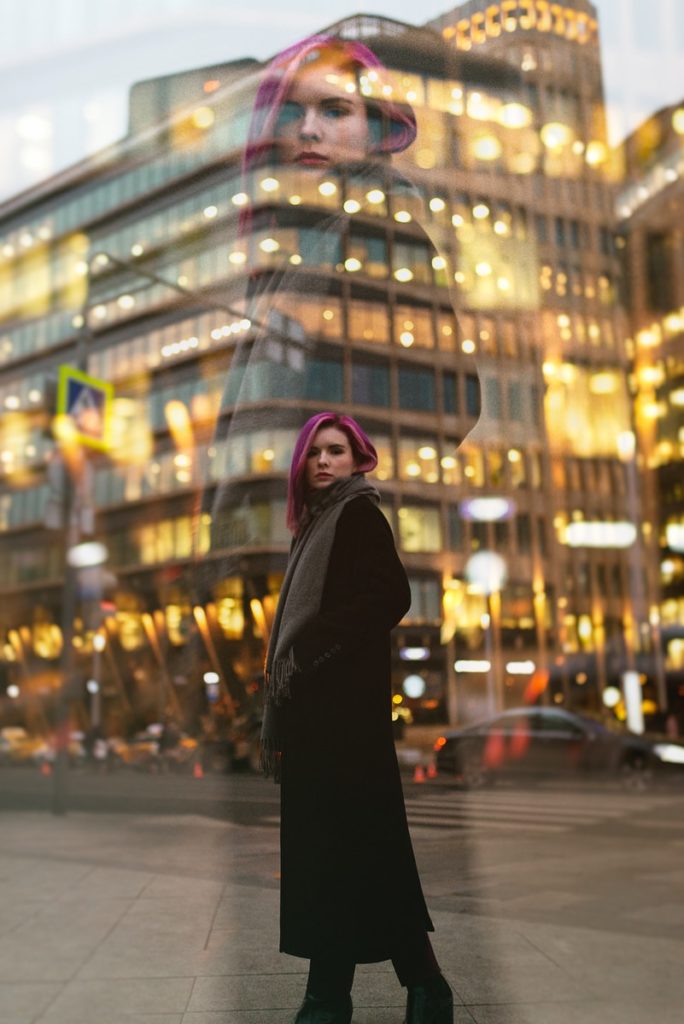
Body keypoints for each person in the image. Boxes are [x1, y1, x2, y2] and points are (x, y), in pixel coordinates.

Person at [261, 412, 453, 1024]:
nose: (323, 461)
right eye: (314, 452)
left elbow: (391, 593)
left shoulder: (358, 513)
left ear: (357, 459)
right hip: (317, 721)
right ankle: (365, 993)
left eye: (336, 451)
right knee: (338, 859)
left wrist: (316, 648)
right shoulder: (312, 530)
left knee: (356, 852)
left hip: (348, 722)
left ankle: (393, 991)